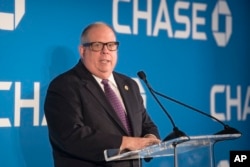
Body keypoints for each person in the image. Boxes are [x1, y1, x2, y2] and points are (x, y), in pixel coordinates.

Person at [44, 22, 161, 167]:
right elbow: (71, 136)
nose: (106, 51)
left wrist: (150, 138)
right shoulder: (64, 86)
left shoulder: (129, 84)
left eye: (111, 45)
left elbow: (146, 124)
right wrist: (127, 142)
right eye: (98, 45)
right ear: (82, 51)